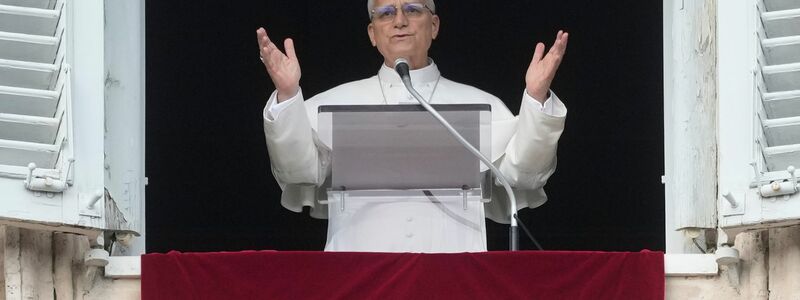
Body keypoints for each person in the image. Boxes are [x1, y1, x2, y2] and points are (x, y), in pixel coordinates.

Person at [258, 0, 568, 252]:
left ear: (434, 26)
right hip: (359, 273)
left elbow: (523, 174)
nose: (400, 21)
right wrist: (288, 96)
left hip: (454, 272)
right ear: (372, 33)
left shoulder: (482, 104)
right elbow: (297, 171)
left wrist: (536, 98)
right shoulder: (332, 103)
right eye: (386, 13)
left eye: (413, 9)